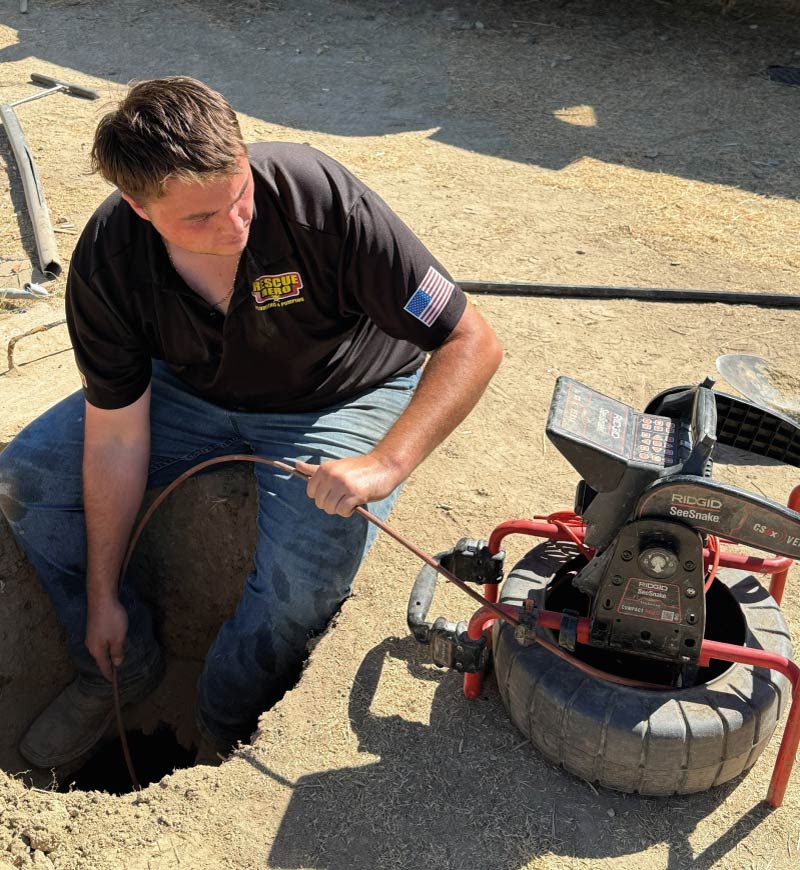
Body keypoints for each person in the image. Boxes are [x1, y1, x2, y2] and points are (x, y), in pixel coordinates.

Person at [0, 77, 502, 766]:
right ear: (139, 208)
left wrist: (385, 463)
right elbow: (116, 435)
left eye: (239, 195)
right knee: (25, 481)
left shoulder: (317, 196)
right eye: (201, 219)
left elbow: (471, 340)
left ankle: (218, 727)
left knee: (304, 574)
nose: (236, 224)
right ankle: (117, 668)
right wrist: (102, 595)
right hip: (192, 392)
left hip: (342, 393)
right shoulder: (109, 261)